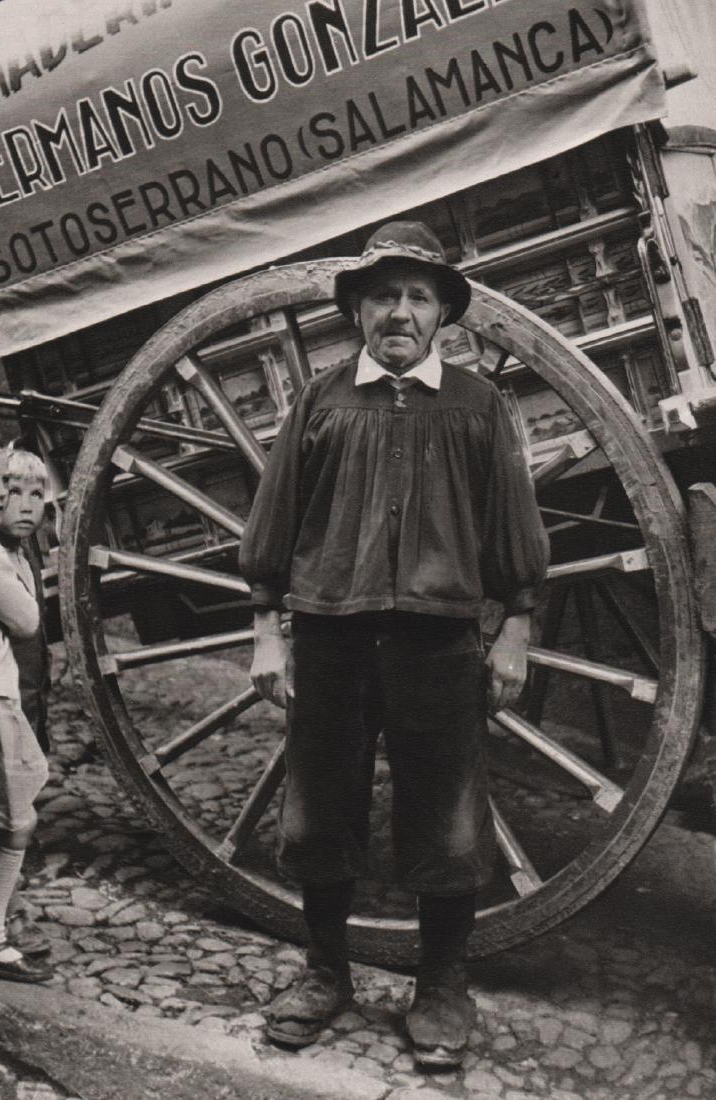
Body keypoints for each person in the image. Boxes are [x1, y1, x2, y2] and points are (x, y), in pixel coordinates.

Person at [239, 221, 549, 1067]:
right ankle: (325, 972)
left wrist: (514, 627)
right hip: (333, 640)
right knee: (318, 811)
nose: (400, 312)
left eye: (418, 296)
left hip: (438, 644)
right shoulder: (323, 400)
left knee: (446, 819)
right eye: (384, 296)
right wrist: (269, 631)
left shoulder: (477, 406)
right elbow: (273, 527)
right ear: (358, 311)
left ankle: (441, 986)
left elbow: (511, 528)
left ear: (444, 312)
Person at [0, 427, 52, 983]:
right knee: (11, 820)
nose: (7, 498)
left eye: (18, 488)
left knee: (8, 817)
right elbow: (26, 622)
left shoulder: (0, 548)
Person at [0, 447, 53, 958]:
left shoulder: (25, 553)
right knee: (0, 818)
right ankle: (6, 918)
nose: (27, 506)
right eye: (14, 493)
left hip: (25, 703)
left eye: (37, 495)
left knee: (16, 810)